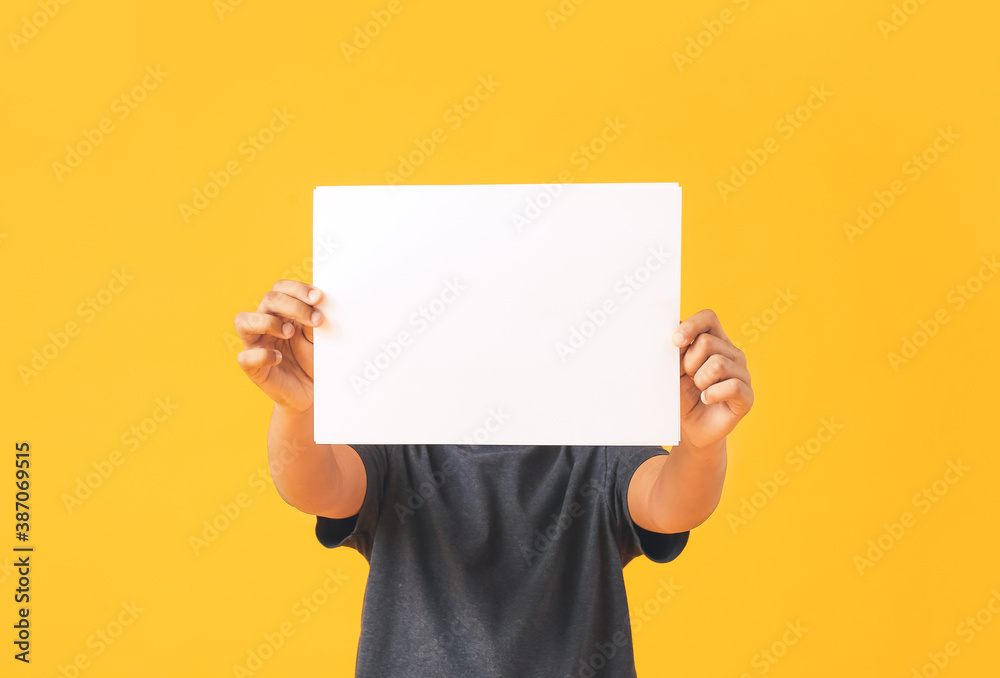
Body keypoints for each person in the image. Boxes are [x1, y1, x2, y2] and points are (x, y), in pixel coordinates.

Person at [234, 279, 753, 677]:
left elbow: (671, 505)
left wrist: (699, 444)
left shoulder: (599, 441)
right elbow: (313, 486)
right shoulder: (397, 438)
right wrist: (297, 410)